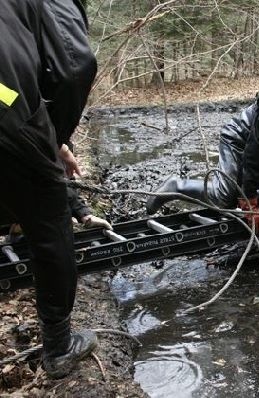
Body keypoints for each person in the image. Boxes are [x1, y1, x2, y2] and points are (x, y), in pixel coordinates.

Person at [0, 0, 98, 379]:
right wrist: (52, 139)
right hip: (4, 101)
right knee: (49, 218)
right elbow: (75, 67)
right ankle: (59, 347)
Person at [146, 89, 259, 233]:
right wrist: (249, 203)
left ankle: (238, 192)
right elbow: (254, 157)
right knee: (224, 198)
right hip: (239, 140)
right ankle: (177, 186)